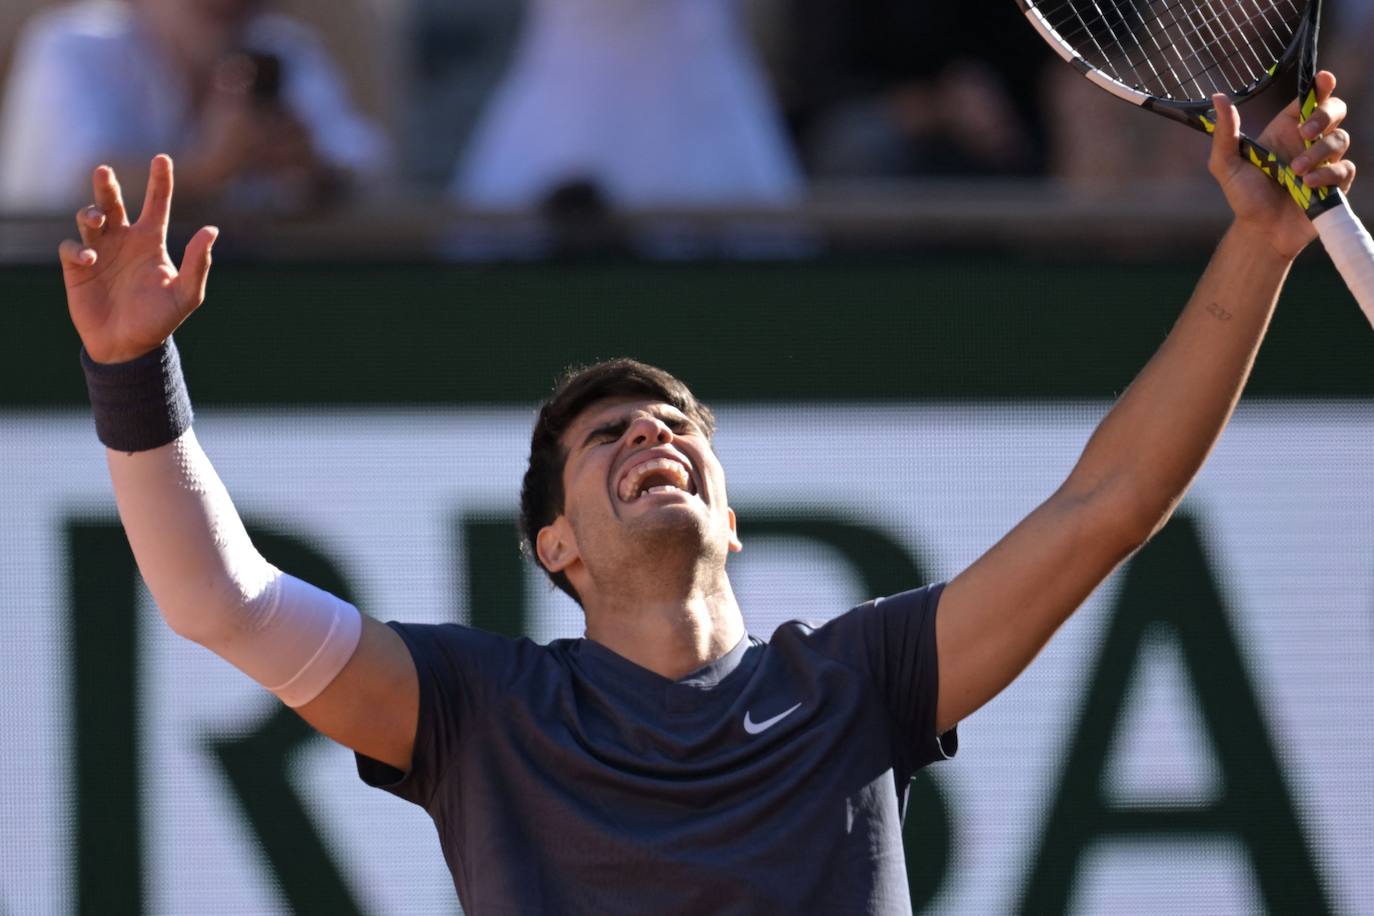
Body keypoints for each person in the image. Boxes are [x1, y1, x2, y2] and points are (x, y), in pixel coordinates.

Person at [59, 73, 1356, 911]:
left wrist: (1258, 239)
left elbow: (1111, 500)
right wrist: (132, 372)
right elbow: (220, 600)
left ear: (729, 520)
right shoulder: (478, 712)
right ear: (553, 543)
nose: (654, 438)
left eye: (679, 428)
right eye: (609, 434)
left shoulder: (863, 682)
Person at [0, 0, 389, 214]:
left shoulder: (280, 46)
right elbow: (79, 185)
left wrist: (310, 167)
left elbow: (364, 163)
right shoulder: (72, 44)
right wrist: (208, 170)